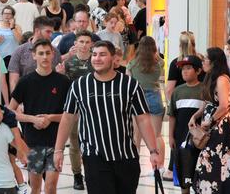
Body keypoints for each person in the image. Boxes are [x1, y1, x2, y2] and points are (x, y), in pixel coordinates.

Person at [54, 41, 160, 194]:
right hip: (94, 157)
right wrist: (58, 150)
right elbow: (67, 119)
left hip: (126, 156)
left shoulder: (130, 84)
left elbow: (143, 119)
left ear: (113, 58)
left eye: (102, 54)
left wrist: (153, 151)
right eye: (94, 54)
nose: (97, 58)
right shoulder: (79, 85)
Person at [9, 39, 70, 194]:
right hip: (33, 143)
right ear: (33, 56)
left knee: (50, 186)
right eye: (41, 53)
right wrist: (33, 119)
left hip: (55, 143)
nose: (44, 57)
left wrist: (50, 118)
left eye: (47, 53)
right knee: (35, 187)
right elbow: (10, 112)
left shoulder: (63, 82)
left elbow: (71, 116)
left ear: (53, 55)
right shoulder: (25, 82)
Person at [190, 48, 230, 194]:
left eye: (206, 59)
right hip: (211, 125)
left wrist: (209, 121)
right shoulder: (211, 77)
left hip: (220, 127)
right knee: (207, 161)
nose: (203, 61)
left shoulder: (222, 79)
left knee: (215, 162)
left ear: (214, 62)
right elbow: (207, 103)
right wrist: (195, 116)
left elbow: (223, 105)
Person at [57, 30, 95, 190]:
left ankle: (92, 172)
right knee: (74, 144)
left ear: (91, 44)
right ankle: (77, 175)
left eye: (87, 42)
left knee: (94, 143)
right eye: (81, 42)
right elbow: (64, 87)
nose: (84, 45)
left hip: (94, 109)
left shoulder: (96, 61)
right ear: (76, 44)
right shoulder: (69, 63)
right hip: (74, 109)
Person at [126, 36, 166, 168]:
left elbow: (128, 84)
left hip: (138, 98)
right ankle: (159, 166)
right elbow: (161, 61)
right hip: (155, 96)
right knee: (157, 135)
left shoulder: (132, 64)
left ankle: (133, 164)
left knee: (136, 135)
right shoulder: (159, 63)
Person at [167, 56, 203, 194]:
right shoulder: (177, 91)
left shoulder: (204, 90)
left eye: (189, 68)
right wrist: (170, 136)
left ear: (198, 71)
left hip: (199, 140)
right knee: (184, 173)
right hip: (181, 139)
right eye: (183, 69)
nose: (185, 72)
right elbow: (172, 116)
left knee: (199, 172)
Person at [8, 16, 62, 93]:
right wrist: (18, 102)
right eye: (48, 32)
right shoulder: (20, 51)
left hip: (49, 99)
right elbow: (13, 81)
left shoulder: (55, 52)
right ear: (37, 31)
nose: (51, 35)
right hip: (26, 98)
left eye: (51, 32)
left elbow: (58, 78)